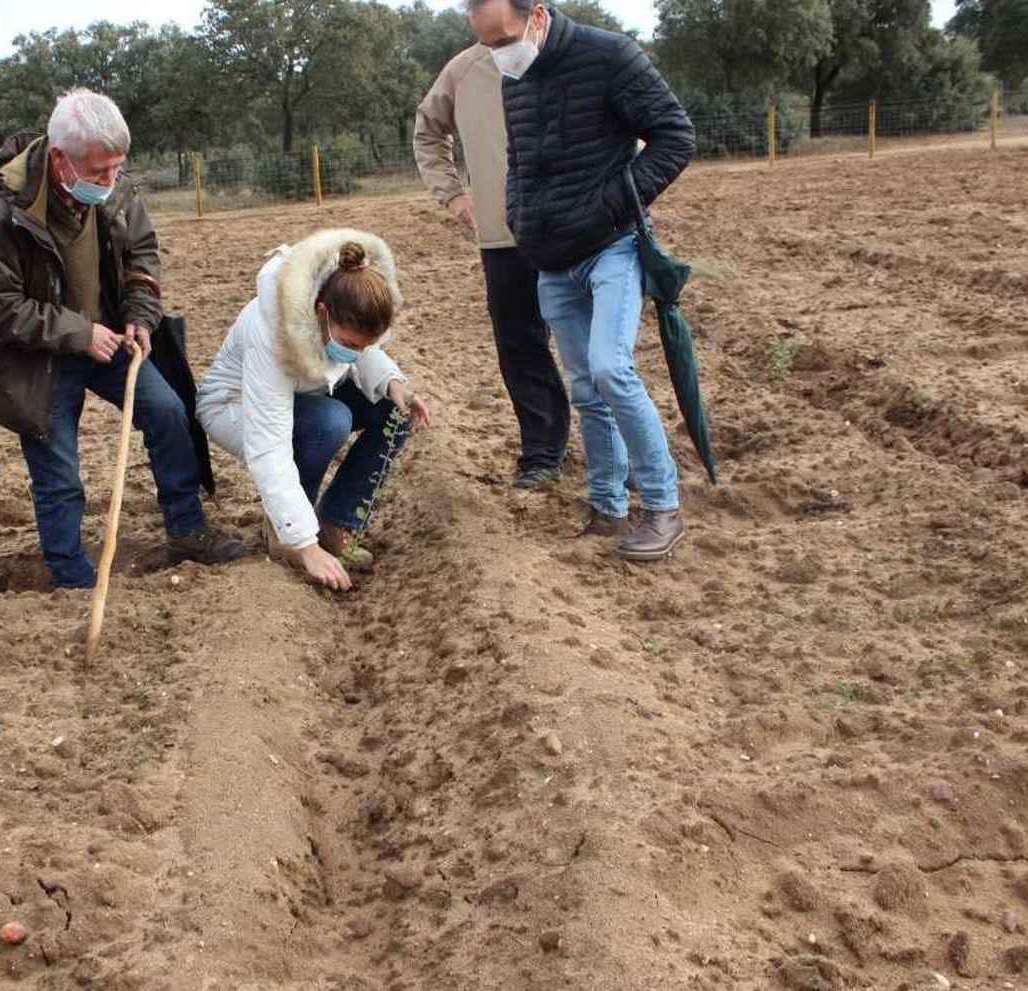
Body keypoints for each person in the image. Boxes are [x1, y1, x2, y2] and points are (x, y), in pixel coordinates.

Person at [0, 89, 245, 589]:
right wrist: (77, 332)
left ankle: (187, 531)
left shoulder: (116, 189)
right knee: (58, 474)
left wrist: (138, 312)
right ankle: (70, 574)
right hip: (38, 360)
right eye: (98, 173)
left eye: (117, 168)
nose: (110, 182)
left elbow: (142, 255)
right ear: (60, 158)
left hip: (110, 340)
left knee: (170, 414)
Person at [469, 0, 696, 561]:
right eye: (487, 46)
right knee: (586, 389)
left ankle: (663, 507)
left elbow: (675, 135)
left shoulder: (610, 55)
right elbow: (519, 160)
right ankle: (608, 508)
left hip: (611, 248)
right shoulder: (514, 76)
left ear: (537, 16)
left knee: (611, 369)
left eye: (504, 41)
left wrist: (614, 203)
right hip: (550, 259)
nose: (498, 55)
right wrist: (521, 218)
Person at [197, 231, 433, 592]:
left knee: (394, 408)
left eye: (365, 344)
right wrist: (303, 545)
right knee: (328, 421)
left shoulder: (341, 298)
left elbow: (362, 352)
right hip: (234, 405)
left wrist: (394, 383)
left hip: (304, 393)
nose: (356, 352)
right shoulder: (272, 332)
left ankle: (337, 523)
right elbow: (269, 445)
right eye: (350, 344)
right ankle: (287, 532)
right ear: (321, 312)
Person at [414, 42, 570, 491]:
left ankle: (619, 454)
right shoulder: (463, 70)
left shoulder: (569, 52)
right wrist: (454, 193)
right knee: (521, 346)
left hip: (575, 231)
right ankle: (542, 452)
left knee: (594, 351)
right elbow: (427, 130)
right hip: (503, 237)